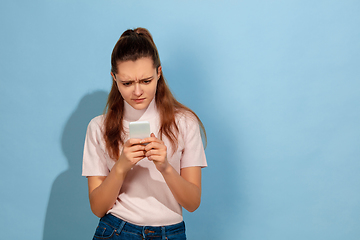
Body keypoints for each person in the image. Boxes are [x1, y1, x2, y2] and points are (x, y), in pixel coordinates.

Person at [82, 27, 207, 240]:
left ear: (159, 72)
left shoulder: (185, 122)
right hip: (116, 230)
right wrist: (121, 166)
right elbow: (98, 208)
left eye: (146, 81)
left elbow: (193, 202)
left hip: (170, 233)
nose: (137, 91)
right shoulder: (98, 127)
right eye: (127, 83)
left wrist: (166, 167)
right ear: (114, 78)